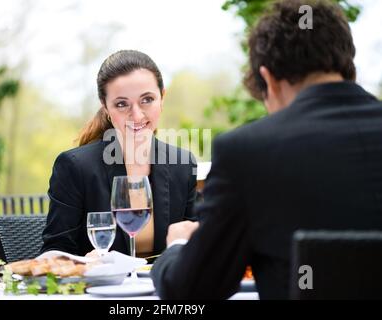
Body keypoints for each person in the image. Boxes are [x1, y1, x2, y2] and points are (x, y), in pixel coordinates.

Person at [151, 0, 382, 299]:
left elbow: (189, 290)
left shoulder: (247, 153)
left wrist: (178, 245)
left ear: (268, 79)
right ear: (346, 64)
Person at [40, 50, 197, 258]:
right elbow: (54, 252)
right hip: (100, 289)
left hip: (165, 288)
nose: (137, 115)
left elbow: (198, 243)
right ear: (105, 107)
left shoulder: (182, 165)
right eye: (122, 104)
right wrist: (86, 263)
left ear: (162, 98)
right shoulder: (75, 166)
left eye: (147, 99)